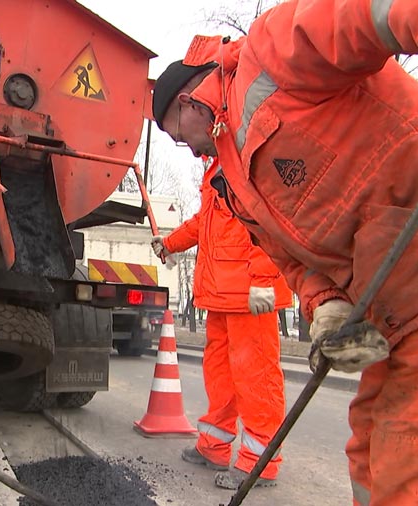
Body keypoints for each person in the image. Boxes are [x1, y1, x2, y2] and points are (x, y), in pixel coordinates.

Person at [151, 0, 418, 503]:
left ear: (187, 101)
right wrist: (325, 305)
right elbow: (290, 255)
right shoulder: (232, 178)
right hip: (397, 302)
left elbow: (361, 12)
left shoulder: (266, 55)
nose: (185, 149)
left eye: (174, 136)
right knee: (369, 455)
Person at [151, 100, 293, 488]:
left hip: (249, 294)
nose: (187, 144)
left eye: (182, 133)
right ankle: (214, 445)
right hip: (220, 294)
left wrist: (264, 279)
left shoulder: (248, 158)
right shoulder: (218, 167)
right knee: (222, 375)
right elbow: (206, 222)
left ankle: (258, 463)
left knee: (256, 378)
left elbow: (270, 217)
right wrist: (171, 244)